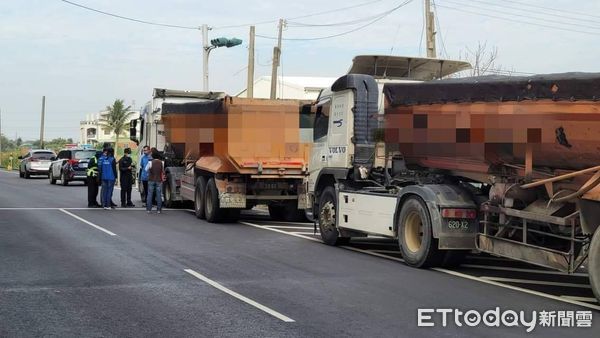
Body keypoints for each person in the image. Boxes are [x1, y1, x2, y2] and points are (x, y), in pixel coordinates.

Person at [145, 149, 164, 214]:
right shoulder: (161, 162)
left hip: (151, 180)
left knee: (150, 194)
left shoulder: (150, 162)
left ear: (152, 155)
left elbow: (145, 169)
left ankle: (149, 209)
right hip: (159, 180)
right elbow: (162, 171)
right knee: (159, 195)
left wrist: (149, 172)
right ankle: (159, 210)